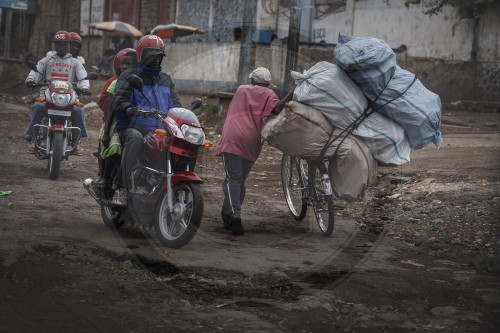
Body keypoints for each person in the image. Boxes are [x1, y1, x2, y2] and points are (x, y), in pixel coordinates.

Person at [214, 67, 291, 235]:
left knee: (232, 179)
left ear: (252, 80)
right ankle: (229, 215)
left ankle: (235, 215)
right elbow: (276, 110)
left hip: (232, 137)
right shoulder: (270, 95)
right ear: (268, 83)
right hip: (252, 141)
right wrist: (291, 95)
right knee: (239, 181)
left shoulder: (242, 89)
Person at [110, 35, 181, 205]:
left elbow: (177, 104)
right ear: (141, 54)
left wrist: (182, 114)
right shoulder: (128, 76)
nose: (155, 59)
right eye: (151, 54)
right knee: (135, 138)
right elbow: (118, 100)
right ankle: (121, 188)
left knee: (182, 145)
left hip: (161, 130)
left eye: (159, 56)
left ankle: (175, 187)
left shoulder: (166, 80)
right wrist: (131, 109)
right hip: (132, 127)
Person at [24, 30, 91, 155]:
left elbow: (83, 77)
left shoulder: (75, 62)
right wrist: (31, 79)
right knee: (38, 106)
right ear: (54, 45)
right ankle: (33, 137)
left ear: (68, 45)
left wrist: (85, 87)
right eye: (58, 44)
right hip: (47, 95)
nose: (61, 47)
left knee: (79, 109)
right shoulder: (47, 60)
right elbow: (36, 71)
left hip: (68, 96)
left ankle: (76, 142)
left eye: (64, 44)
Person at [95, 48, 137, 192]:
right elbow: (105, 104)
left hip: (136, 122)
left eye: (129, 64)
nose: (124, 67)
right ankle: (104, 176)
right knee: (109, 144)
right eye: (122, 64)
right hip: (112, 122)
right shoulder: (113, 83)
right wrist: (120, 105)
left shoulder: (141, 83)